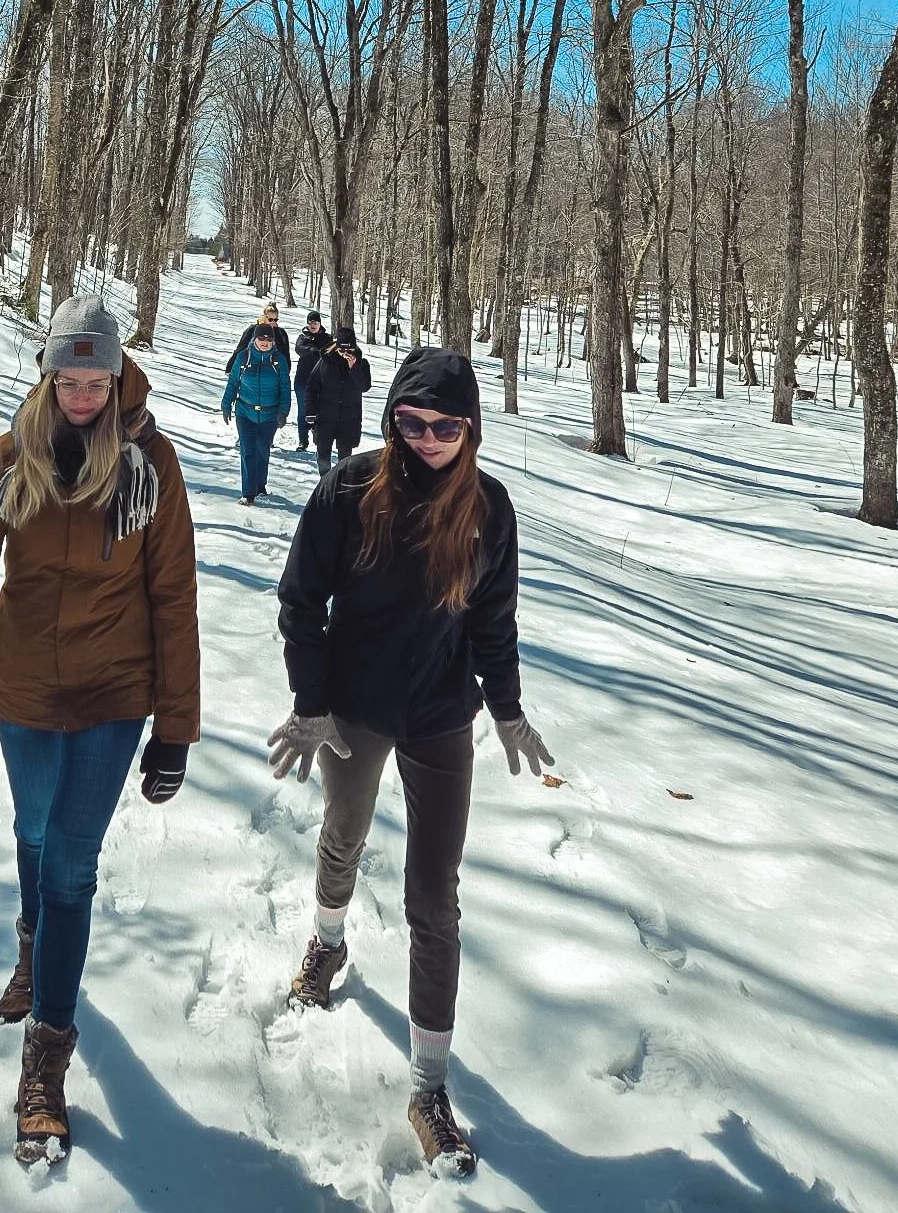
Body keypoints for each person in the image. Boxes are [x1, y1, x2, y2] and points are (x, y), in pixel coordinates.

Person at [0, 295, 200, 1167]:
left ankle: (45, 1064)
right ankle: (32, 949)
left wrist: (173, 726)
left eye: (95, 380)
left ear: (115, 378)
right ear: (47, 376)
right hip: (25, 693)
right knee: (31, 836)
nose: (80, 395)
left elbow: (175, 597)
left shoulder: (152, 466)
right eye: (67, 379)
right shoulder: (7, 459)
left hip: (115, 694)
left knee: (70, 866)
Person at [267, 347, 553, 1178]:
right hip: (352, 711)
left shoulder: (489, 512)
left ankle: (429, 1087)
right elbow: (299, 599)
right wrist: (313, 701)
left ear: (472, 430)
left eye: (446, 426)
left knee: (436, 897)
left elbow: (493, 624)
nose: (427, 438)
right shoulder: (352, 490)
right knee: (344, 835)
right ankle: (328, 941)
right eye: (411, 421)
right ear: (392, 417)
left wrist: (506, 710)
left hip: (436, 717)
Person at [220, 318, 291, 504]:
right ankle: (248, 493)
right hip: (245, 411)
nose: (265, 343)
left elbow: (285, 386)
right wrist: (226, 405)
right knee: (248, 450)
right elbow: (233, 382)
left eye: (269, 340)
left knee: (262, 450)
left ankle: (260, 485)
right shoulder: (244, 357)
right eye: (262, 340)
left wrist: (284, 411)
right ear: (255, 339)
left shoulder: (279, 360)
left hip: (270, 414)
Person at [305, 325, 372, 474]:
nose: (345, 354)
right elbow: (311, 386)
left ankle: (340, 486)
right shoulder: (325, 362)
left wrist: (354, 368)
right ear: (336, 347)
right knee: (323, 455)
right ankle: (324, 483)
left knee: (345, 459)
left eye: (350, 350)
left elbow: (365, 386)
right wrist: (310, 411)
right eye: (342, 350)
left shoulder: (362, 364)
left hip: (348, 419)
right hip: (325, 417)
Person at [293, 310, 332, 451]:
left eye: (315, 322)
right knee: (303, 411)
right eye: (310, 323)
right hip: (303, 380)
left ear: (320, 323)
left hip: (321, 381)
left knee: (320, 411)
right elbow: (299, 349)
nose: (313, 325)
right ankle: (303, 441)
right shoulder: (303, 337)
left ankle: (319, 438)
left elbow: (332, 353)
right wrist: (312, 349)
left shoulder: (327, 339)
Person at [226, 299, 290, 373]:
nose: (273, 322)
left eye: (275, 319)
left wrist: (286, 371)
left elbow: (285, 353)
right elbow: (241, 348)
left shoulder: (281, 333)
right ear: (264, 318)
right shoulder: (252, 330)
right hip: (252, 368)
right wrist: (230, 368)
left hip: (272, 371)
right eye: (270, 319)